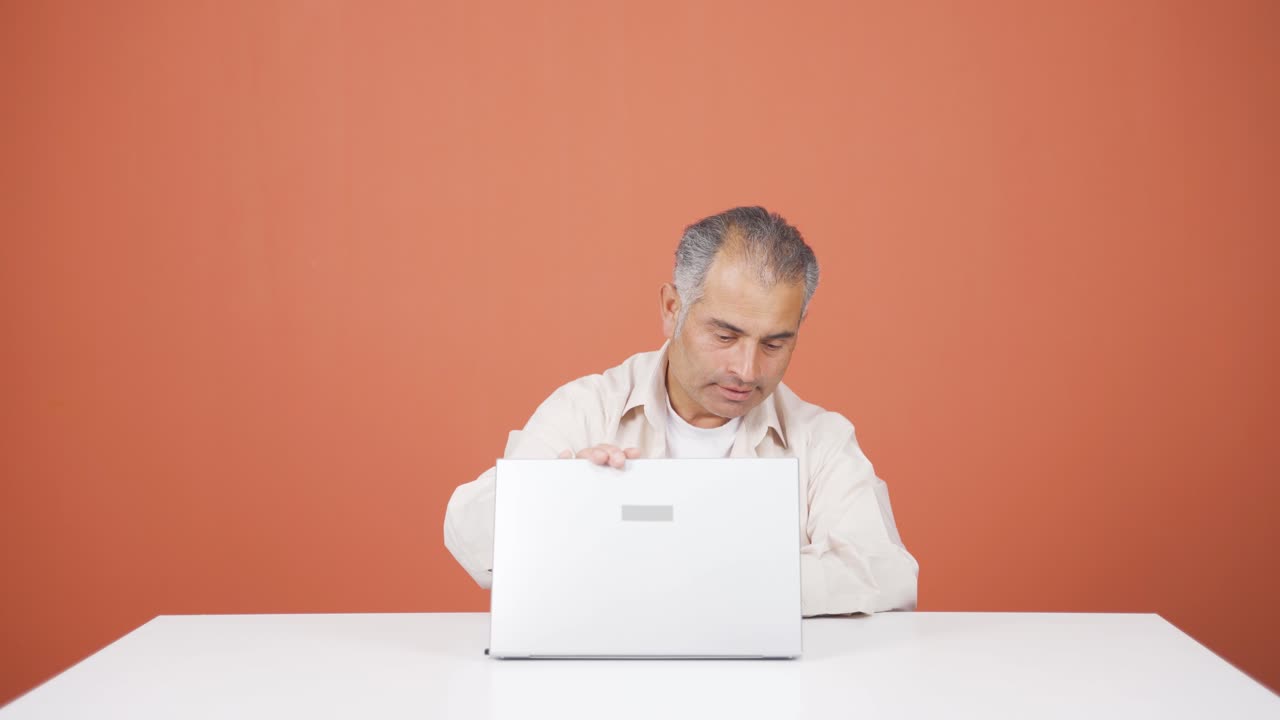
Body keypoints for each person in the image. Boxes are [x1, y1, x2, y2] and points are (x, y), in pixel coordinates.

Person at [443, 206, 918, 615]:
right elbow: (468, 535)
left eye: (775, 342)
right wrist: (556, 499)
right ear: (673, 308)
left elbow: (886, 574)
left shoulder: (823, 440)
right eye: (725, 336)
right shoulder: (587, 408)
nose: (747, 370)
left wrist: (698, 573)